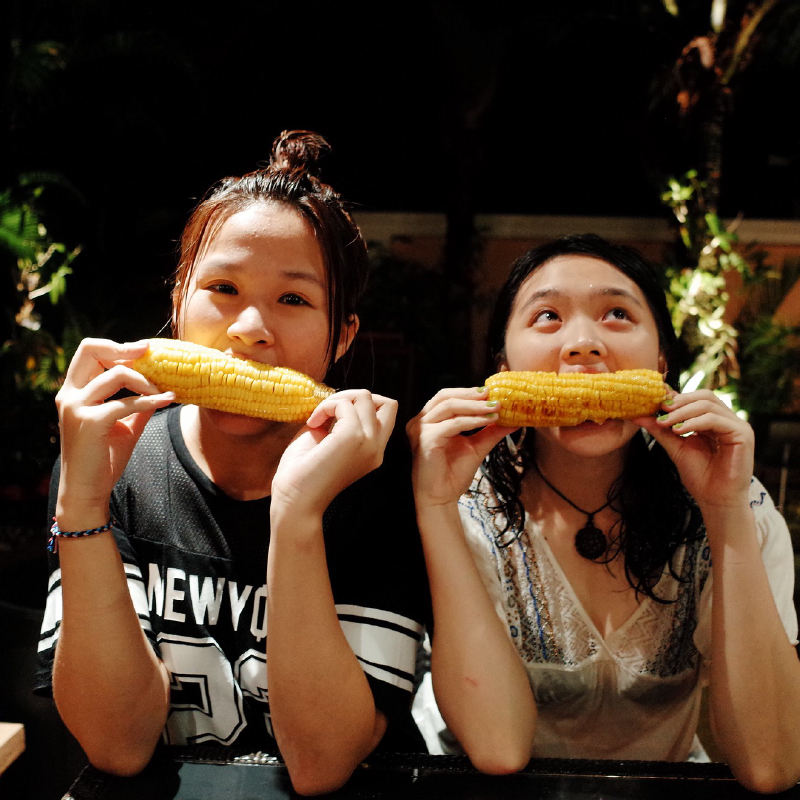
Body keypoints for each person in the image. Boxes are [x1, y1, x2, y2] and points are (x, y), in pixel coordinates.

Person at [35, 130, 430, 796]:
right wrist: (82, 502)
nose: (249, 330)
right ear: (177, 302)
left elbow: (322, 764)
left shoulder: (379, 482)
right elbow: (117, 744)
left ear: (341, 337)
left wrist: (298, 514)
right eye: (222, 287)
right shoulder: (111, 459)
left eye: (294, 299)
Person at [407, 233, 800, 794]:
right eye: (547, 316)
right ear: (503, 364)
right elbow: (498, 748)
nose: (583, 345)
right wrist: (434, 505)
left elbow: (772, 763)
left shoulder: (737, 502)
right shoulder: (463, 504)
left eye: (617, 314)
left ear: (661, 361)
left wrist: (725, 511)